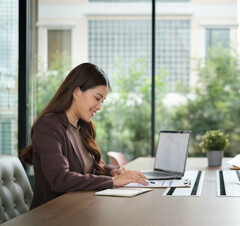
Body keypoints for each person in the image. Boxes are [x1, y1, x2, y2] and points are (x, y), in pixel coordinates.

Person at [21, 63, 148, 209]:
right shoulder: (48, 125)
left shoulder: (83, 127)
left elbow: (92, 167)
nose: (99, 107)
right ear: (76, 92)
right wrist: (113, 182)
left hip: (79, 209)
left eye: (102, 101)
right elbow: (60, 179)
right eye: (97, 98)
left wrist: (113, 171)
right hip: (51, 216)